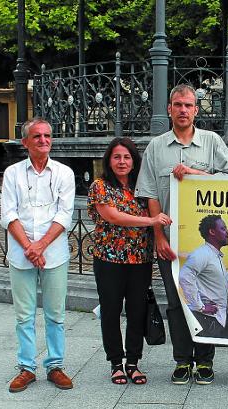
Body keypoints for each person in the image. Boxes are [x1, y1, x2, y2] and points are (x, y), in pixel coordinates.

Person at [135, 84, 228, 385]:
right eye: (177, 104)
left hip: (204, 242)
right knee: (178, 301)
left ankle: (204, 360)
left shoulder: (212, 142)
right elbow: (150, 194)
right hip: (171, 242)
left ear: (196, 109)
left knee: (207, 298)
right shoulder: (156, 147)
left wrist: (195, 174)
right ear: (169, 109)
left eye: (188, 105)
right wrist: (159, 238)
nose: (183, 110)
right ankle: (182, 360)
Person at [87, 138, 172, 385]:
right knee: (111, 310)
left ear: (135, 161)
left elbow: (159, 205)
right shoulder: (100, 186)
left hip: (139, 260)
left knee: (137, 311)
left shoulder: (143, 188)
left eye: (127, 157)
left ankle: (133, 362)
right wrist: (152, 221)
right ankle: (115, 362)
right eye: (117, 157)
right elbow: (113, 216)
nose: (122, 162)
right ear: (109, 160)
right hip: (109, 259)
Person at [0, 117, 75, 393]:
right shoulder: (13, 174)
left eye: (47, 136)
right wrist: (29, 248)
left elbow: (64, 215)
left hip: (53, 253)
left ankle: (55, 365)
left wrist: (40, 246)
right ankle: (26, 367)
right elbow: (8, 214)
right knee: (24, 315)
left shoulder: (64, 173)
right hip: (22, 254)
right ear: (25, 142)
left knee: (56, 314)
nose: (43, 140)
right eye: (37, 136)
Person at [178, 215, 228, 383]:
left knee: (208, 343)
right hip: (207, 318)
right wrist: (200, 306)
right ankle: (196, 365)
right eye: (223, 229)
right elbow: (185, 277)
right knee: (202, 342)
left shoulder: (214, 255)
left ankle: (204, 365)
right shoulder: (202, 254)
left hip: (218, 319)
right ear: (212, 232)